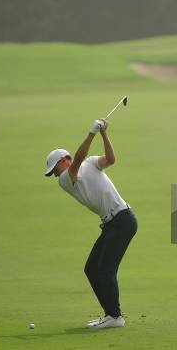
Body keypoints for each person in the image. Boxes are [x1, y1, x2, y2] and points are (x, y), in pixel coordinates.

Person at [44, 118, 137, 329]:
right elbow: (78, 158)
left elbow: (111, 159)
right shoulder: (66, 179)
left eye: (54, 169)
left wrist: (103, 133)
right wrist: (91, 133)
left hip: (123, 219)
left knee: (105, 269)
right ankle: (110, 315)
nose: (55, 175)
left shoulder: (91, 163)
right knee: (91, 269)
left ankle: (115, 316)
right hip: (113, 223)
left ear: (63, 160)